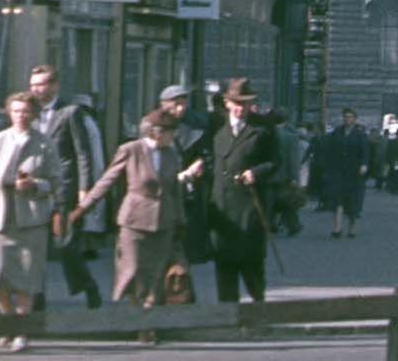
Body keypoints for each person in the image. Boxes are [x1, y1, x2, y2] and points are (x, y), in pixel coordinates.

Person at [72, 109, 196, 330]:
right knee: (134, 269)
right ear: (156, 132)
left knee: (157, 273)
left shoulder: (172, 154)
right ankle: (135, 312)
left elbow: (175, 191)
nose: (173, 137)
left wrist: (181, 221)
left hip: (164, 221)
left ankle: (147, 324)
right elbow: (107, 181)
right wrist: (83, 207)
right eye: (170, 132)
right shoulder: (131, 150)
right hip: (134, 221)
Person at [0, 92, 60, 352]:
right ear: (9, 113)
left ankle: (21, 331)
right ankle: (8, 322)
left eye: (26, 111)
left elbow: (56, 182)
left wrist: (35, 185)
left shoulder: (44, 144)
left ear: (35, 114)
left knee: (26, 277)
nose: (21, 116)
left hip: (30, 221)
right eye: (15, 111)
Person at [27, 65, 103, 311]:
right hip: (37, 189)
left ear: (54, 86)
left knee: (66, 245)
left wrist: (84, 189)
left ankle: (88, 286)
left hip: (65, 189)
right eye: (33, 85)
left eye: (42, 84)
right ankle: (37, 298)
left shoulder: (70, 113)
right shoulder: (29, 112)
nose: (37, 90)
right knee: (37, 246)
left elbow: (83, 153)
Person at [209, 78, 278, 303]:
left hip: (250, 206)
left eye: (245, 104)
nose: (240, 109)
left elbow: (275, 162)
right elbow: (206, 157)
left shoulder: (263, 128)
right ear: (227, 103)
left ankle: (258, 313)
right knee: (224, 264)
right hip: (222, 207)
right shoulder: (216, 127)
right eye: (236, 103)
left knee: (252, 263)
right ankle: (226, 316)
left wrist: (256, 173)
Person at [156, 85, 212, 299]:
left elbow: (206, 155)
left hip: (187, 198)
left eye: (183, 103)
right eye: (175, 104)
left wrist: (201, 165)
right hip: (160, 200)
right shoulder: (153, 126)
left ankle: (182, 297)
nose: (180, 109)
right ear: (164, 105)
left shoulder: (196, 126)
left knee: (182, 252)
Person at [316, 109, 370, 239]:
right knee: (338, 200)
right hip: (338, 172)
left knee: (353, 202)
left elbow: (365, 152)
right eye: (345, 117)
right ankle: (337, 228)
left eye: (350, 117)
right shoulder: (337, 132)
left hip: (354, 172)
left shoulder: (360, 135)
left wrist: (364, 165)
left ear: (355, 119)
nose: (347, 119)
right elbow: (330, 150)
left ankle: (352, 229)